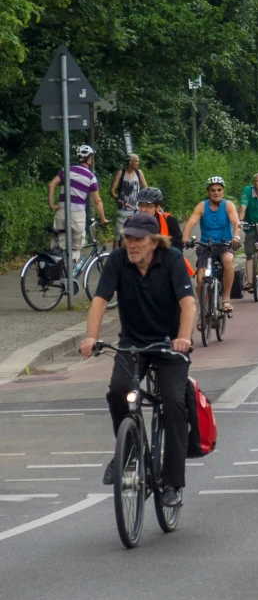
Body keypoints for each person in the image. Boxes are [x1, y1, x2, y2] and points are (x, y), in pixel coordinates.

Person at [80, 213, 196, 507]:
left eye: (139, 239)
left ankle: (172, 482)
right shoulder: (117, 261)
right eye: (128, 238)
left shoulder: (171, 260)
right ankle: (130, 453)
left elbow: (188, 303)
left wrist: (183, 338)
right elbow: (99, 301)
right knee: (118, 391)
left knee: (173, 401)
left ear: (155, 241)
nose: (132, 244)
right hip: (133, 343)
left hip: (171, 344)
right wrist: (90, 337)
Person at [181, 176, 241, 310]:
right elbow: (190, 223)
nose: (216, 192)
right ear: (208, 192)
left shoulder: (228, 205)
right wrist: (185, 238)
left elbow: (236, 223)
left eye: (219, 189)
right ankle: (204, 310)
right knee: (200, 280)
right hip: (205, 246)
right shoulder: (202, 206)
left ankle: (226, 298)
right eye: (213, 190)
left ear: (223, 191)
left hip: (224, 245)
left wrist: (236, 237)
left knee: (228, 260)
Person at [47, 144, 108, 263]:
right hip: (77, 215)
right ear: (89, 159)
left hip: (61, 212)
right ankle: (70, 277)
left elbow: (51, 185)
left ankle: (59, 274)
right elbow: (97, 201)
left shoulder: (66, 170)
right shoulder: (91, 177)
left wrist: (52, 205)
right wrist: (103, 219)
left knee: (58, 246)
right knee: (75, 247)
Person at [111, 153, 147, 245]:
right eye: (136, 161)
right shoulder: (121, 173)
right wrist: (118, 199)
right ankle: (114, 257)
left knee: (136, 235)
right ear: (130, 162)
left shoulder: (139, 173)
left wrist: (144, 204)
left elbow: (146, 189)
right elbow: (112, 190)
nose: (138, 163)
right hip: (122, 210)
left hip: (136, 210)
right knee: (118, 235)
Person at [135, 187, 183, 251]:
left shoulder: (169, 220)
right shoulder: (131, 222)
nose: (143, 210)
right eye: (141, 205)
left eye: (149, 206)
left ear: (157, 208)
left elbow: (178, 246)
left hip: (164, 258)